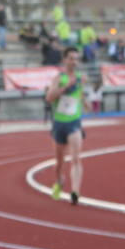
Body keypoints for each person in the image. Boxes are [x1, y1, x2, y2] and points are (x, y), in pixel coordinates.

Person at [46, 47, 87, 205]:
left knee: (76, 158)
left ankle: (75, 191)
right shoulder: (59, 78)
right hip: (59, 124)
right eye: (70, 58)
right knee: (59, 163)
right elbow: (49, 97)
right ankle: (59, 180)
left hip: (74, 122)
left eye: (76, 58)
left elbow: (80, 95)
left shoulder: (81, 78)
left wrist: (86, 103)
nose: (74, 61)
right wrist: (66, 87)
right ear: (64, 60)